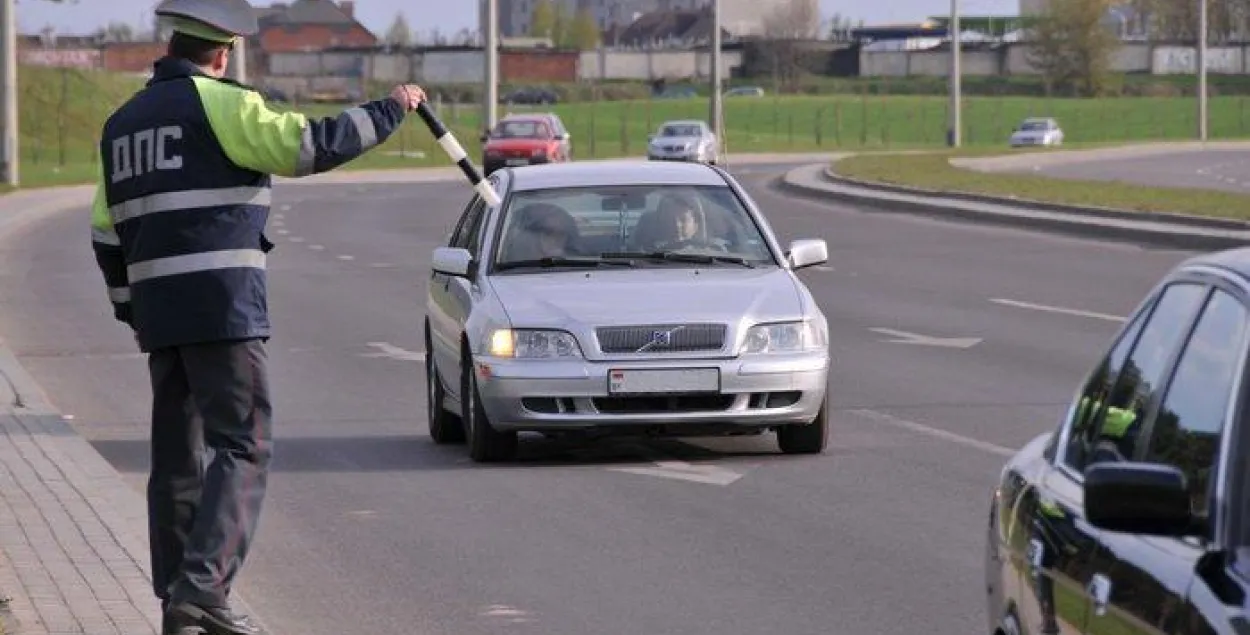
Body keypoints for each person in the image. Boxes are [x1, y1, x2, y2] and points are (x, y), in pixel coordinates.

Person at [86, 1, 426, 633]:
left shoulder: (120, 125)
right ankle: (204, 588)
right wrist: (391, 109)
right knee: (244, 443)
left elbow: (105, 234)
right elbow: (308, 146)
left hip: (161, 320)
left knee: (178, 459)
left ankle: (178, 603)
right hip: (223, 307)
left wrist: (133, 312)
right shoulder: (224, 105)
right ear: (225, 50)